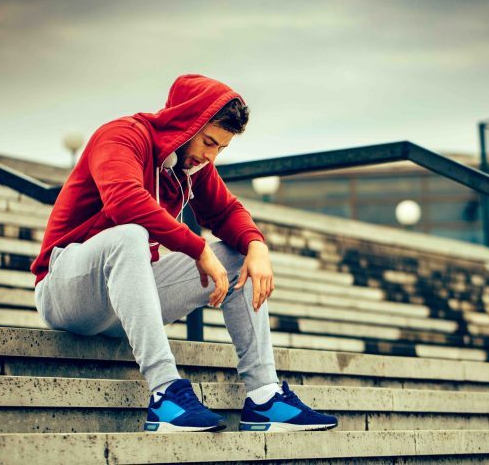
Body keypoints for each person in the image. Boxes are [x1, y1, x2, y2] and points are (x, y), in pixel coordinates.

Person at [30, 74, 338, 433]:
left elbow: (225, 212)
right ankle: (166, 395)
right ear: (185, 122)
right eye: (208, 142)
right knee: (130, 235)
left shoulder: (191, 166)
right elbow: (124, 200)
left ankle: (264, 397)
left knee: (236, 258)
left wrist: (257, 245)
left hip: (122, 306)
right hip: (65, 291)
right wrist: (195, 246)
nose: (210, 155)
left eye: (221, 148)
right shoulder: (121, 136)